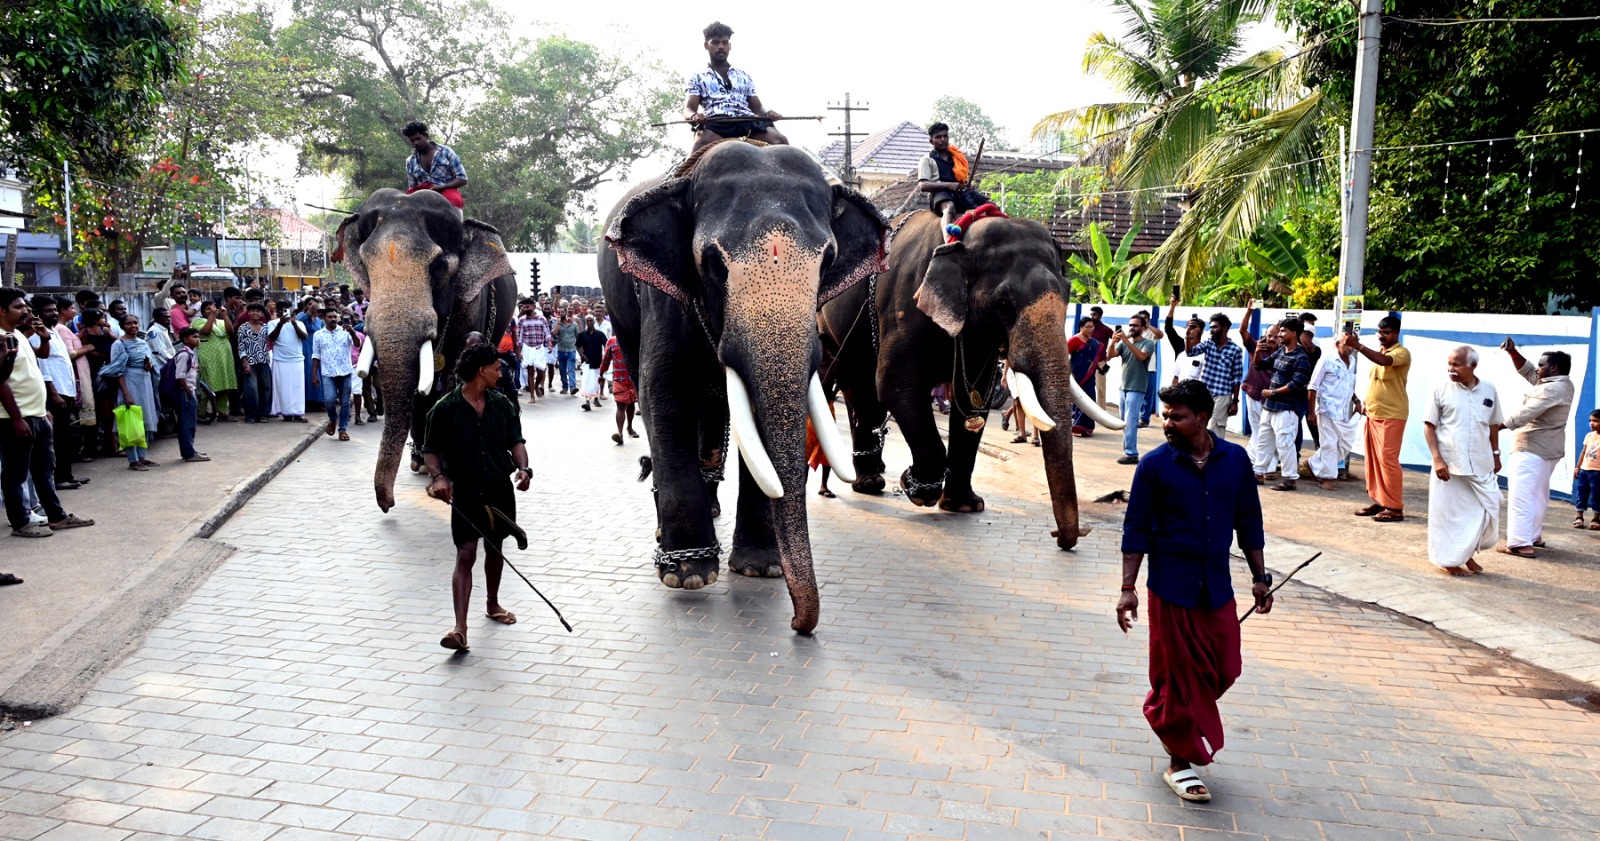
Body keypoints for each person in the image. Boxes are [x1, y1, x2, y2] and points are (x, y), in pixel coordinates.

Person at [1117, 378, 1270, 804]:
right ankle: (1179, 762)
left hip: (1216, 588)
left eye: (1177, 416)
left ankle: (1167, 710)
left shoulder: (1235, 461)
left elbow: (1249, 522)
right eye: (1165, 415)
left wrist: (1260, 578)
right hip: (1171, 589)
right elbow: (1136, 530)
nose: (1167, 422)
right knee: (1179, 677)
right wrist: (1127, 588)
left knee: (1224, 667)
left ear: (1202, 417)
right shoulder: (1153, 465)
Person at [422, 343, 532, 652]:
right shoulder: (444, 408)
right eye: (496, 368)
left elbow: (517, 442)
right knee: (466, 554)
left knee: (495, 548)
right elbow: (430, 450)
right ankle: (460, 628)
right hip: (467, 491)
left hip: (499, 489)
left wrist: (524, 468)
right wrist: (439, 476)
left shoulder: (503, 405)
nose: (501, 372)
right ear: (481, 371)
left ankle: (493, 603)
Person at [0, 288, 94, 537]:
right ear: (2, 310)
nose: (25, 311)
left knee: (45, 468)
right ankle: (21, 523)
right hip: (15, 418)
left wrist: (42, 338)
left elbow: (38, 357)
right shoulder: (0, 338)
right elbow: (1, 382)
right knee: (16, 473)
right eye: (19, 307)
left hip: (37, 414)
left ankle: (56, 516)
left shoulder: (17, 334)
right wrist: (18, 419)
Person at [1421, 346, 1503, 576]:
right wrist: (1437, 459)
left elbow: (1493, 424)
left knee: (1483, 511)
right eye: (1449, 364)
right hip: (1449, 465)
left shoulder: (1489, 389)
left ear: (1472, 366)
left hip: (1481, 462)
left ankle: (1467, 555)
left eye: (1456, 364)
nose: (1451, 369)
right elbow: (1429, 426)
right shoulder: (1440, 389)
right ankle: (1449, 560)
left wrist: (1496, 454)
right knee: (1447, 515)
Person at [1498, 339, 1575, 557]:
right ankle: (1532, 535)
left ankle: (1520, 543)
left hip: (1530, 447)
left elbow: (1526, 413)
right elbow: (1530, 372)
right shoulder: (1562, 384)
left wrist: (1497, 427)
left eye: (1542, 365)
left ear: (1553, 368)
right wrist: (1513, 353)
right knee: (1538, 495)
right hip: (1548, 450)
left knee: (1521, 496)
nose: (1537, 368)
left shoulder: (1551, 389)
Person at [682, 21, 787, 151]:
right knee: (699, 147)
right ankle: (687, 172)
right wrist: (694, 116)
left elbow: (758, 108)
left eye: (725, 42)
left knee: (780, 140)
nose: (721, 46)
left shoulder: (744, 75)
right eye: (715, 42)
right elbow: (688, 109)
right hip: (717, 124)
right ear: (706, 45)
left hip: (747, 122)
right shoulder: (697, 77)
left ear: (729, 46)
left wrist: (768, 113)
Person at [1350, 316, 1411, 522]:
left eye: (1386, 333)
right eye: (1379, 332)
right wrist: (1366, 403)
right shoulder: (1381, 352)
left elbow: (1384, 362)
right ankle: (1379, 500)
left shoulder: (1401, 353)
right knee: (1374, 460)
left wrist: (1357, 346)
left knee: (1388, 460)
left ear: (1396, 333)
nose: (1381, 336)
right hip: (1374, 413)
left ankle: (1394, 507)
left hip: (1392, 414)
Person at [27, 296, 83, 489]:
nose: (52, 313)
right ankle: (59, 478)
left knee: (64, 436)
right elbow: (43, 366)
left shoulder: (53, 332)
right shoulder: (37, 336)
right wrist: (53, 393)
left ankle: (67, 474)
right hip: (55, 392)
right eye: (48, 310)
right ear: (38, 313)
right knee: (57, 437)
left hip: (65, 389)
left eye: (54, 310)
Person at [1252, 317, 1312, 491]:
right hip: (1270, 407)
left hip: (1286, 409)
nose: (1279, 334)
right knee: (1263, 441)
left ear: (1294, 333)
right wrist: (1257, 351)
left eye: (1283, 331)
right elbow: (1260, 365)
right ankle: (1258, 473)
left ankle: (1290, 479)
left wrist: (1273, 392)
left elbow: (1296, 384)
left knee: (1285, 444)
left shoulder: (1301, 358)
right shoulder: (1281, 352)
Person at [106, 312, 161, 470]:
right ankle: (133, 459)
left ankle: (142, 456)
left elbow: (150, 362)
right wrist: (126, 393)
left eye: (135, 323)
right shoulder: (119, 344)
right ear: (123, 326)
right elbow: (118, 370)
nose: (133, 326)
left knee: (145, 420)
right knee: (131, 422)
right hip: (129, 382)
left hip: (145, 382)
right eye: (129, 323)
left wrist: (148, 365)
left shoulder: (142, 342)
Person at [1306, 331, 1360, 491]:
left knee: (1344, 444)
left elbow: (1348, 385)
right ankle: (1326, 477)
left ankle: (1313, 463)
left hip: (1343, 411)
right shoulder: (1327, 360)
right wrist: (1311, 413)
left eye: (1353, 345)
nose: (1350, 348)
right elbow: (1312, 387)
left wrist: (1356, 401)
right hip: (1326, 409)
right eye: (1346, 344)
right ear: (1337, 344)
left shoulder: (1352, 361)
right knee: (1329, 444)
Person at [917, 122, 992, 231]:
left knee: (990, 204)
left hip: (960, 192)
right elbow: (923, 185)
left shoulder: (956, 157)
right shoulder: (927, 159)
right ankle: (949, 241)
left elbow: (960, 181)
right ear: (931, 141)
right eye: (938, 137)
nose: (943, 139)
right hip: (940, 194)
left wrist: (965, 186)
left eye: (945, 136)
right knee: (949, 208)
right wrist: (948, 185)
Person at [1189, 307, 1247, 439]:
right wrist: (1188, 333)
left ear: (1225, 328)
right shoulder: (1209, 344)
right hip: (1204, 393)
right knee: (1199, 424)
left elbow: (1236, 378)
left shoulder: (1235, 350)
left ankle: (1215, 455)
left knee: (1214, 428)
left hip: (1223, 395)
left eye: (1215, 327)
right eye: (1211, 327)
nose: (1212, 330)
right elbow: (1190, 352)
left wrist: (1235, 401)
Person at [1113, 314, 1156, 464]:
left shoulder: (1148, 343)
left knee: (1130, 422)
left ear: (1143, 328)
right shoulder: (1124, 343)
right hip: (1123, 388)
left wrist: (1125, 341)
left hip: (1136, 388)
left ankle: (1132, 454)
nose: (1131, 328)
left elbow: (1142, 357)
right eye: (1130, 325)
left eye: (1135, 325)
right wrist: (1113, 343)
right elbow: (1110, 355)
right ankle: (1128, 451)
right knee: (1124, 422)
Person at [312, 308, 357, 441]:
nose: (332, 319)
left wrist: (352, 332)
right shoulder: (318, 335)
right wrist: (314, 374)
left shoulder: (345, 331)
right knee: (329, 400)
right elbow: (316, 355)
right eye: (329, 317)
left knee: (345, 403)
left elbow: (357, 344)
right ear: (324, 319)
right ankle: (333, 419)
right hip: (328, 372)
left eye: (334, 317)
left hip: (345, 372)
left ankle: (342, 429)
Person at [402, 121, 467, 209]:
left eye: (418, 138)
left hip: (446, 190)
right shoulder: (410, 161)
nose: (416, 142)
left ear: (426, 136)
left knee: (454, 201)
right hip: (421, 194)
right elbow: (412, 187)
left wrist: (441, 187)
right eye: (412, 140)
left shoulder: (446, 152)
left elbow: (462, 178)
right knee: (401, 207)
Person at [195, 300, 238, 423]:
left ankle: (222, 413)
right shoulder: (197, 321)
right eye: (208, 309)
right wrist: (212, 316)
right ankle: (201, 413)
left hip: (224, 358)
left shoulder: (221, 322)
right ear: (203, 312)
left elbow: (230, 331)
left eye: (213, 308)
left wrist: (224, 316)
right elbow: (206, 331)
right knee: (207, 384)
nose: (212, 310)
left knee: (225, 384)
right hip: (208, 357)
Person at [173, 328, 208, 462]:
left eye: (198, 336)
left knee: (190, 423)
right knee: (186, 424)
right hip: (185, 393)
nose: (198, 339)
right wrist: (189, 392)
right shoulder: (184, 355)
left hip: (189, 391)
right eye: (194, 337)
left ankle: (190, 449)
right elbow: (180, 376)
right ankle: (188, 453)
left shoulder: (191, 353)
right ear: (186, 339)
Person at [268, 305, 308, 422]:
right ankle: (287, 412)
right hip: (280, 359)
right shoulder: (272, 323)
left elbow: (304, 336)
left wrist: (294, 323)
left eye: (286, 310)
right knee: (283, 388)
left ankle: (299, 412)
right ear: (277, 311)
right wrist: (280, 324)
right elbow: (272, 337)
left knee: (298, 387)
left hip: (297, 359)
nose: (284, 312)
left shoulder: (299, 323)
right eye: (281, 309)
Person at [600, 333, 638, 446]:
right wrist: (601, 373)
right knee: (620, 405)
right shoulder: (611, 342)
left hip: (633, 379)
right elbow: (606, 359)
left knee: (631, 404)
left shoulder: (634, 339)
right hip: (619, 379)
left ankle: (629, 427)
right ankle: (620, 434)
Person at [236, 303, 272, 423]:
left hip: (264, 361)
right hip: (250, 363)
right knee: (251, 389)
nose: (255, 313)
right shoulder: (243, 328)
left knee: (265, 388)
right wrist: (245, 363)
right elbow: (241, 347)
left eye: (258, 311)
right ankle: (251, 415)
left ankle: (263, 414)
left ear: (262, 314)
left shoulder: (266, 327)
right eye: (253, 311)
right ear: (248, 313)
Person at [1067, 318, 1101, 437]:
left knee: (1090, 399)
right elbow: (1064, 356)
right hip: (1077, 376)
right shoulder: (1074, 340)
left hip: (1089, 377)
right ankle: (1077, 425)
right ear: (1081, 327)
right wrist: (1069, 373)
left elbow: (1095, 359)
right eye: (1088, 327)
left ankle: (1087, 427)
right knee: (1079, 400)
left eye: (1092, 327)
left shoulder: (1095, 343)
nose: (1091, 329)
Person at [514, 300, 550, 403]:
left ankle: (536, 386)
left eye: (527, 307)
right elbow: (519, 338)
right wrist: (519, 352)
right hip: (527, 348)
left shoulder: (542, 319)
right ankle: (532, 396)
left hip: (539, 348)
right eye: (524, 308)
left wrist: (550, 344)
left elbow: (547, 333)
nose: (525, 309)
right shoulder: (521, 320)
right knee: (530, 372)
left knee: (541, 372)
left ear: (534, 306)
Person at [575, 315, 607, 410]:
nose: (589, 322)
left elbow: (606, 345)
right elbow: (577, 346)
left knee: (596, 381)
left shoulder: (600, 334)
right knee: (587, 381)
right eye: (587, 321)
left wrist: (605, 356)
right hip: (587, 362)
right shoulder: (582, 334)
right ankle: (587, 402)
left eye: (591, 321)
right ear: (586, 322)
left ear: (594, 322)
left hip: (597, 361)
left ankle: (596, 398)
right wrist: (583, 356)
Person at [1576, 410, 1600, 530]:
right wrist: (1577, 467)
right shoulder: (1589, 436)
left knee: (1597, 495)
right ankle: (1579, 516)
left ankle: (1596, 518)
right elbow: (1583, 452)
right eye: (1590, 420)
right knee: (1581, 494)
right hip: (1584, 470)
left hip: (1598, 472)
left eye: (1595, 421)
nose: (1591, 423)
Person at [1088, 306, 1115, 409]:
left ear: (1100, 316)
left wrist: (1110, 353)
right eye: (1091, 314)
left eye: (1094, 314)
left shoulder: (1106, 330)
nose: (1092, 316)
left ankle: (1101, 411)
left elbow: (1116, 339)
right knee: (1085, 386)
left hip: (1101, 363)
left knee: (1101, 387)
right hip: (1087, 362)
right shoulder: (1086, 328)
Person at [553, 309, 579, 395]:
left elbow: (578, 336)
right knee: (562, 370)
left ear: (566, 313)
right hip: (561, 350)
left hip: (571, 350)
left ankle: (572, 387)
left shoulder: (574, 325)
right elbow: (554, 333)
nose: (561, 313)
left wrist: (580, 350)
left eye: (562, 312)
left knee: (571, 369)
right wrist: (558, 323)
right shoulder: (557, 324)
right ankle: (565, 387)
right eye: (559, 312)